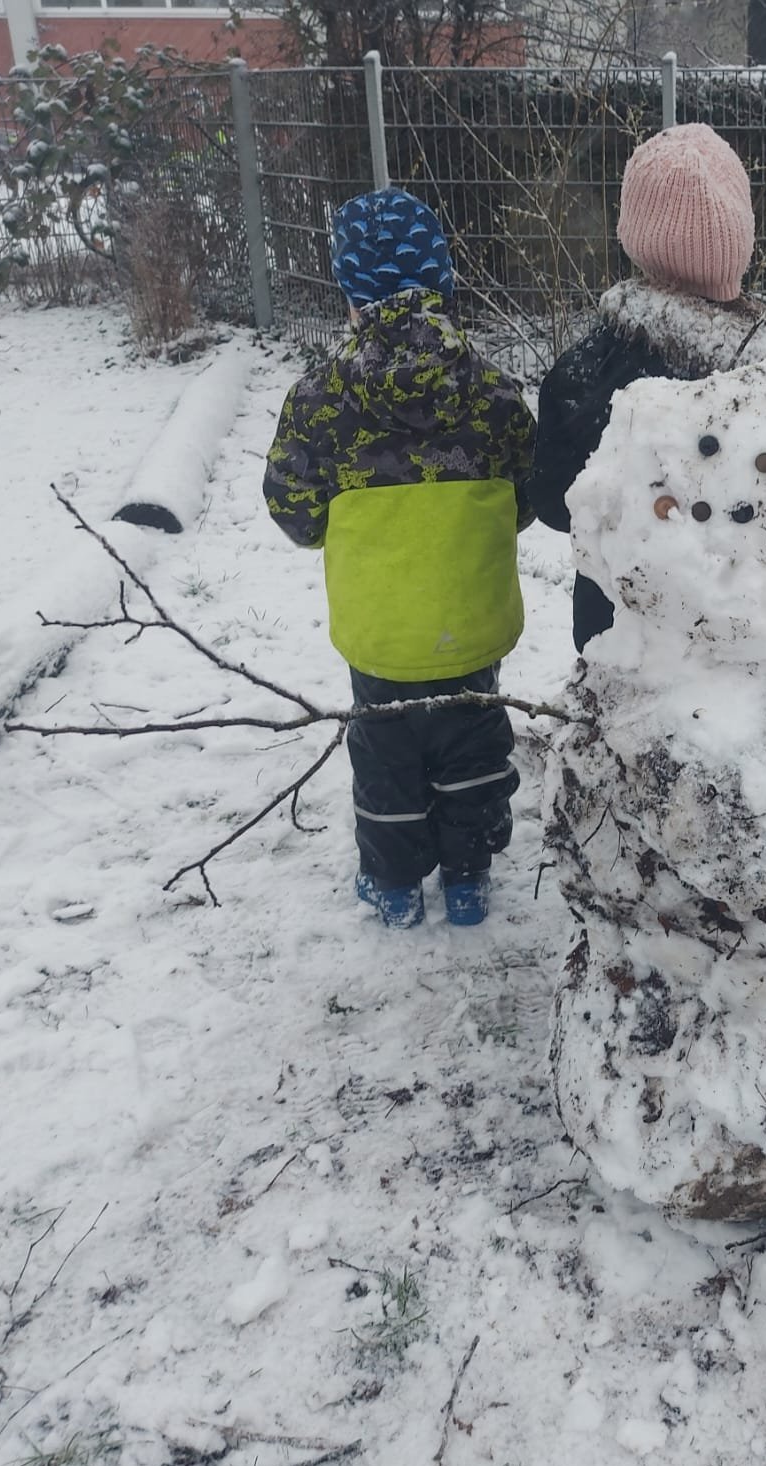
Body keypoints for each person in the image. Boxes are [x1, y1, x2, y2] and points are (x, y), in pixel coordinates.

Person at [264, 188, 536, 929]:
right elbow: (526, 494)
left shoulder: (319, 399)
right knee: (472, 746)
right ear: (443, 282)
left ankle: (392, 887)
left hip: (378, 637)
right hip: (472, 624)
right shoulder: (493, 393)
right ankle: (470, 875)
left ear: (351, 295)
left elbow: (292, 508)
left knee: (386, 759)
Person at [527, 122, 766, 653]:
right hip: (751, 642)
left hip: (622, 635)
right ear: (740, 237)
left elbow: (550, 500)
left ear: (635, 238)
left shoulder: (582, 373)